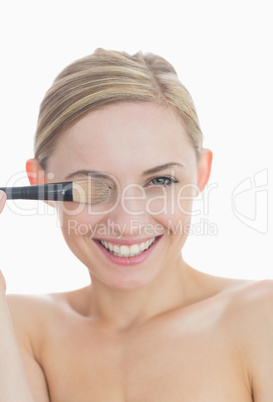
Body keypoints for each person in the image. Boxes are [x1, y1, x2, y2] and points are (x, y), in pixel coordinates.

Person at [0, 48, 272, 401]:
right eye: (93, 187)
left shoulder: (262, 317)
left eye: (160, 182)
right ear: (41, 184)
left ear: (202, 173)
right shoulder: (19, 327)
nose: (127, 224)